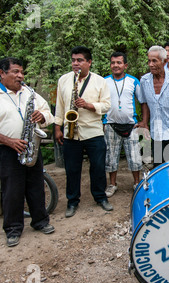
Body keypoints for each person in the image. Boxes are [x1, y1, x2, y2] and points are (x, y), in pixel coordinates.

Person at [0, 57, 55, 247]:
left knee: (36, 186)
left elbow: (49, 115)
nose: (20, 76)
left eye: (21, 72)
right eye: (16, 72)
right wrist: (9, 141)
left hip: (31, 147)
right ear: (2, 73)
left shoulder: (30, 93)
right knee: (12, 191)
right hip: (7, 151)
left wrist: (42, 115)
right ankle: (13, 229)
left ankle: (40, 221)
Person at [54, 46, 112, 217]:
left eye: (79, 60)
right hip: (71, 132)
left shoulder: (100, 81)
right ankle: (72, 201)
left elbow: (107, 105)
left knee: (98, 167)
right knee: (72, 169)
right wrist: (57, 128)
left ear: (89, 62)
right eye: (73, 60)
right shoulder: (64, 80)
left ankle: (100, 198)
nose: (75, 63)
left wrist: (88, 105)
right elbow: (60, 106)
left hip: (93, 131)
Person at [103, 52, 142, 196]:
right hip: (111, 125)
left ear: (125, 65)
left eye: (119, 63)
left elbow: (143, 101)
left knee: (135, 156)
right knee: (111, 157)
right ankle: (112, 184)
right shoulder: (104, 81)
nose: (115, 65)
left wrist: (144, 121)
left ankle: (137, 183)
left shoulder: (133, 81)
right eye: (113, 63)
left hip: (131, 125)